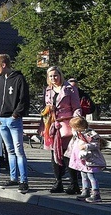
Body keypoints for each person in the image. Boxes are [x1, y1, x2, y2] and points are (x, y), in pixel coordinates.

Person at [0, 54, 30, 194]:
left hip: (13, 119)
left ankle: (24, 180)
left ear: (3, 65)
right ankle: (13, 177)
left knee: (19, 150)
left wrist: (16, 114)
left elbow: (24, 98)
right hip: (1, 119)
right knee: (10, 151)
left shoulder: (18, 78)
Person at [42, 66, 82, 194]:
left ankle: (74, 183)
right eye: (51, 76)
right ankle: (58, 182)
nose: (53, 78)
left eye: (55, 75)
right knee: (54, 154)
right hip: (53, 125)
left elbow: (77, 107)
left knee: (68, 154)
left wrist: (76, 122)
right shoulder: (48, 90)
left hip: (67, 124)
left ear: (60, 75)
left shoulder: (70, 89)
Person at [67, 117, 106, 203]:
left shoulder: (90, 134)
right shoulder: (78, 133)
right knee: (83, 175)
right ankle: (85, 191)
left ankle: (96, 193)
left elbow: (96, 145)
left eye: (73, 127)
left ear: (79, 126)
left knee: (91, 176)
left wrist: (86, 146)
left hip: (90, 158)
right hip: (82, 159)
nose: (72, 129)